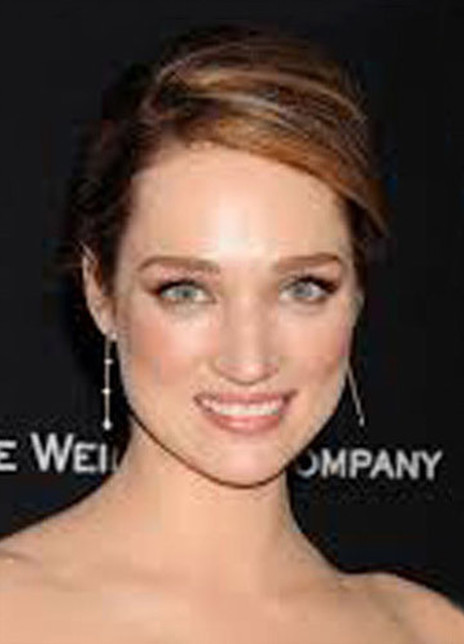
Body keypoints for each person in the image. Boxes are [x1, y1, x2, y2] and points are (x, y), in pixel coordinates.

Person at [0, 23, 463, 643]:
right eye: (186, 291)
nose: (249, 360)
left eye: (303, 287)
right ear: (100, 292)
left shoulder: (430, 630)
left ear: (355, 294)